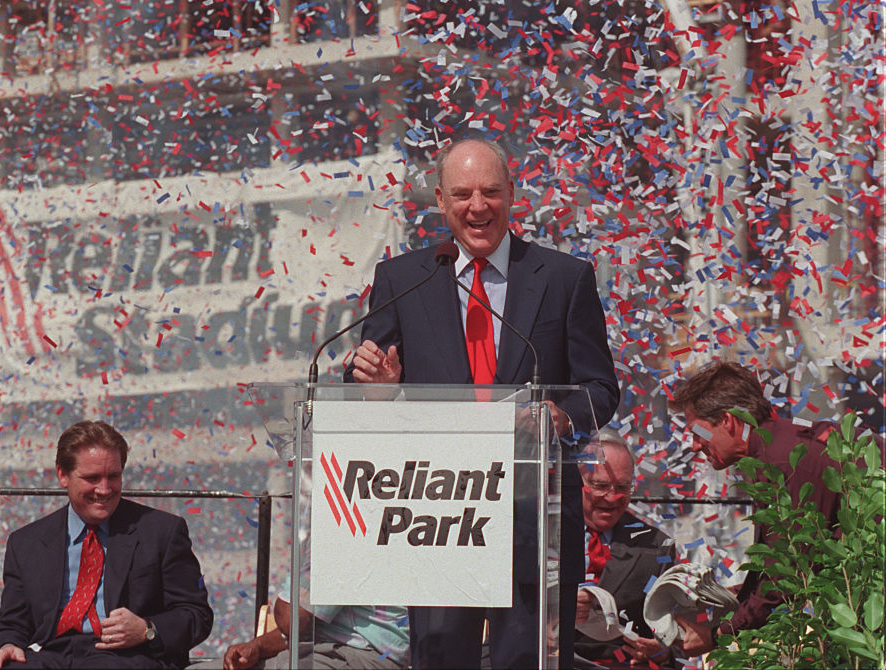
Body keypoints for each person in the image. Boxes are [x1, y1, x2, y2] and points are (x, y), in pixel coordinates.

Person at [344, 137, 619, 669]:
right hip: (439, 513)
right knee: (442, 659)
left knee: (525, 659)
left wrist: (561, 416)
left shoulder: (564, 279)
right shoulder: (403, 279)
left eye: (490, 192)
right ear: (440, 201)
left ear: (511, 194)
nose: (478, 207)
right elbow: (363, 375)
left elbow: (600, 387)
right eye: (462, 194)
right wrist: (379, 386)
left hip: (535, 515)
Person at [668, 360, 880, 655]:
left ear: (728, 421)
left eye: (697, 433)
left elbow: (787, 578)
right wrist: (739, 597)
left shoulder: (781, 461)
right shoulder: (780, 442)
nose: (693, 445)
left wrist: (719, 635)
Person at [0, 420, 213, 669]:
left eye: (113, 476)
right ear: (63, 475)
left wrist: (147, 629)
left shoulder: (162, 531)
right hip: (50, 655)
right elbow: (11, 623)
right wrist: (6, 644)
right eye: (92, 478)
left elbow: (197, 614)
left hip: (127, 657)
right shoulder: (26, 543)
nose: (104, 490)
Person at [574, 431, 676, 668]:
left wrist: (661, 654)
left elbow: (675, 638)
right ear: (574, 483)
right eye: (600, 486)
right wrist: (555, 606)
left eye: (623, 487)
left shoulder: (656, 546)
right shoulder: (535, 535)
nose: (612, 498)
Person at [221, 597, 408, 670]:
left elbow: (291, 619)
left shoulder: (347, 535)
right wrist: (258, 646)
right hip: (326, 650)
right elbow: (307, 624)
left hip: (369, 657)